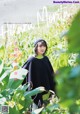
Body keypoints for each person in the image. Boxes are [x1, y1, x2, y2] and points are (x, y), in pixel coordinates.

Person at [22, 39, 56, 108]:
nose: (42, 48)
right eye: (40, 46)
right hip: (36, 94)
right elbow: (22, 74)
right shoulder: (31, 60)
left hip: (47, 94)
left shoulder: (46, 59)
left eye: (44, 46)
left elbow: (51, 75)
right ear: (36, 47)